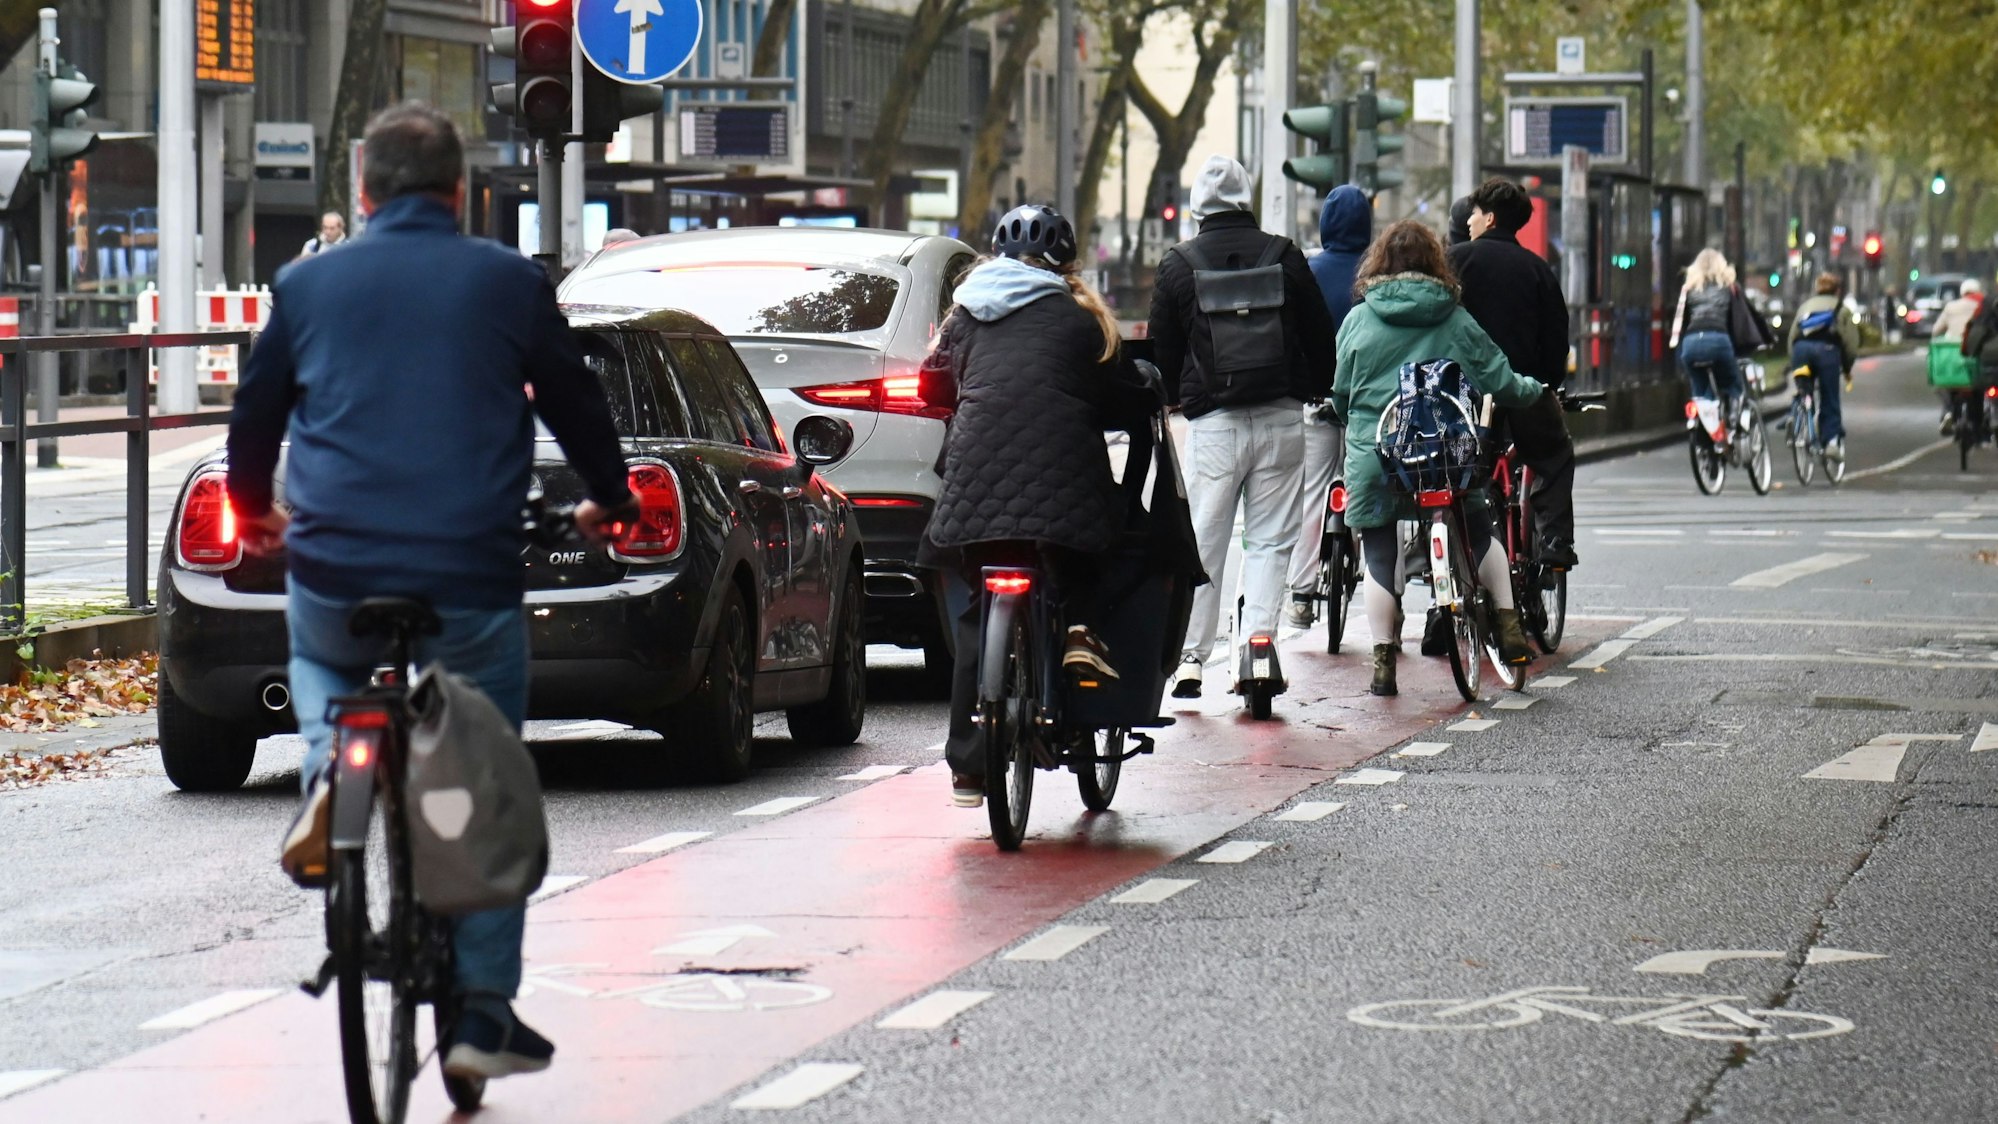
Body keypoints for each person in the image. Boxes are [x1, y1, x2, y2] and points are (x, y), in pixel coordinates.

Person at [227, 103, 638, 1083]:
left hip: (335, 569)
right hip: (467, 574)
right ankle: (482, 1013)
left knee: (321, 661)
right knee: (482, 775)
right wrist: (613, 500)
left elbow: (255, 413)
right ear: (460, 193)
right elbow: (574, 400)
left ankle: (328, 773)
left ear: (363, 193)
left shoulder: (306, 283)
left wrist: (254, 507)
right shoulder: (507, 281)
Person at [918, 204, 1154, 808]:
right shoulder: (1080, 320)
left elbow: (932, 385)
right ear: (1065, 267)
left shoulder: (965, 315)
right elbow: (1122, 396)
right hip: (1063, 482)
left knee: (977, 613)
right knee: (1094, 549)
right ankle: (1079, 632)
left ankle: (969, 770)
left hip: (975, 484)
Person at [1149, 155, 1340, 702]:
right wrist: (1313, 386)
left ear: (1197, 206)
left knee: (1205, 540)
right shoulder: (1284, 255)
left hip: (1213, 424)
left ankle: (1191, 658)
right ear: (1246, 198)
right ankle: (1258, 644)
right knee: (1271, 541)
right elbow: (1318, 335)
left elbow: (1163, 352)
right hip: (1281, 417)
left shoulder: (1178, 265)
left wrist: (1176, 397)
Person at [1330, 220, 1550, 697]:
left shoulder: (1359, 320)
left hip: (1378, 454)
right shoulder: (1456, 319)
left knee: (1380, 553)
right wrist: (1535, 390)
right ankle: (1509, 627)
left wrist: (1354, 419)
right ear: (1436, 263)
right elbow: (1500, 379)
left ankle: (1383, 663)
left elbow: (1342, 394)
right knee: (1479, 529)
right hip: (1446, 456)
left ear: (1379, 263)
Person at [1448, 177, 1578, 570]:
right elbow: (1556, 340)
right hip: (1523, 391)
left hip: (1465, 395)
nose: (1468, 221)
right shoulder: (1538, 269)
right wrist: (1548, 385)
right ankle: (1554, 539)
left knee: (1457, 470)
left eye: (1473, 213)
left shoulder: (1455, 261)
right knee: (1554, 454)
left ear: (1489, 218)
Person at [1285, 185, 1370, 629]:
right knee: (1374, 491)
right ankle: (1387, 592)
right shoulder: (1377, 273)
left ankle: (1301, 593)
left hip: (1316, 398)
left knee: (1312, 492)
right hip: (1364, 404)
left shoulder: (1308, 271)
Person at [1787, 272, 1861, 455]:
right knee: (1829, 397)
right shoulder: (1841, 309)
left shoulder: (1805, 307)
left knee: (1804, 389)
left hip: (1801, 351)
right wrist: (1847, 366)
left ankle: (1798, 413)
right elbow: (1851, 343)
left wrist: (1794, 362)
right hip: (1826, 352)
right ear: (1837, 290)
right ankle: (1832, 442)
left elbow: (1792, 338)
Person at [1668, 248, 1753, 407]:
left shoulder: (1688, 289)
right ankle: (1733, 415)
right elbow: (1739, 320)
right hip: (1718, 341)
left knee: (1700, 391)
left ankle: (1700, 416)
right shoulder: (1729, 287)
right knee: (1732, 383)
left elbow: (1682, 321)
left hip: (1691, 344)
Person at [1933, 277, 1983, 435]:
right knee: (1980, 387)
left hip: (1952, 360)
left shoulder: (1951, 307)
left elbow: (1936, 331)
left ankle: (1948, 411)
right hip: (1975, 358)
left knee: (1945, 386)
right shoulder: (1983, 306)